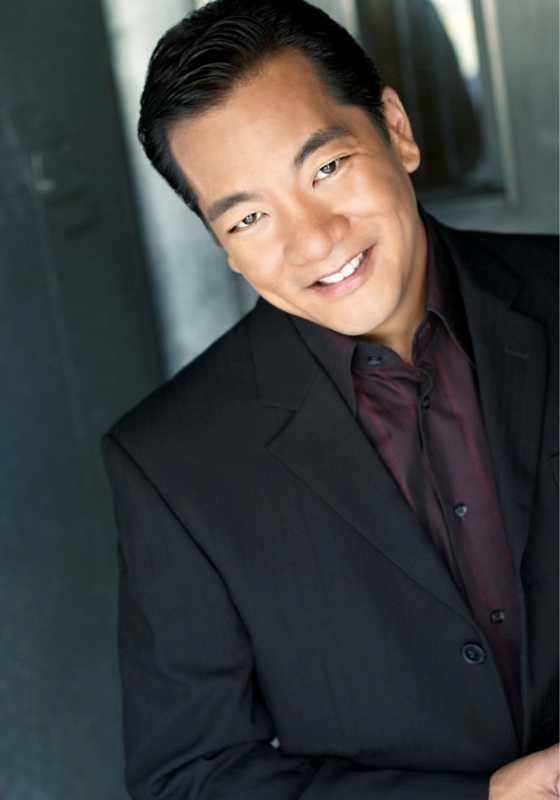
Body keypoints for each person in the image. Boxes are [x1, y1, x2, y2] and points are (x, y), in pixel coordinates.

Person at [101, 1, 559, 797]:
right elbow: (193, 777)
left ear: (396, 129)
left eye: (326, 169)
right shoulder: (171, 464)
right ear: (223, 246)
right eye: (249, 217)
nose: (314, 239)